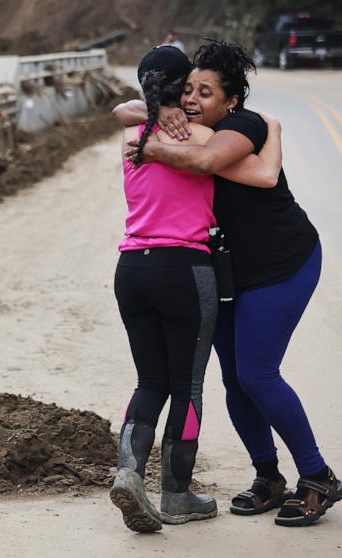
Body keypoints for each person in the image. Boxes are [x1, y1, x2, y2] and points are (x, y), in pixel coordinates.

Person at [118, 38, 341, 528]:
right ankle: (267, 476)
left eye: (206, 92)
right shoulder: (191, 125)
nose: (194, 100)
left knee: (257, 373)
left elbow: (215, 164)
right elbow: (129, 106)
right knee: (233, 378)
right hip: (228, 270)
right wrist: (152, 112)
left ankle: (318, 476)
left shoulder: (245, 125)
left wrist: (149, 143)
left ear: (232, 101)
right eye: (189, 90)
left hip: (284, 262)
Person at [109, 45, 282, 533]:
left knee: (149, 383)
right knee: (187, 388)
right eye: (187, 86)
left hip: (131, 268)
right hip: (183, 268)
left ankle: (128, 473)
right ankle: (178, 495)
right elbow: (262, 175)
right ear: (178, 86)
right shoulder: (201, 134)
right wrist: (274, 131)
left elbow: (124, 108)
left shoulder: (130, 131)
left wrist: (154, 104)